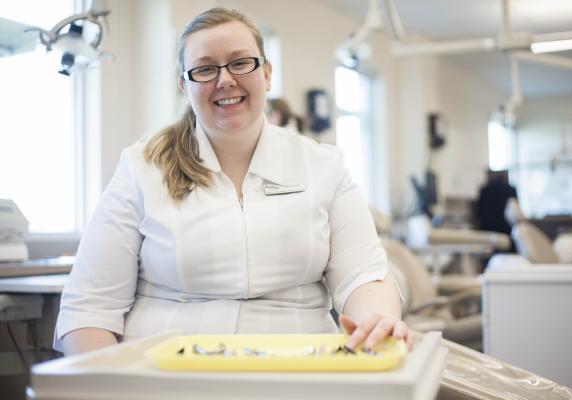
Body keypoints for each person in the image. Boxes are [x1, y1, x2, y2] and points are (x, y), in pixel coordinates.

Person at [55, 7, 410, 356]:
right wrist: (111, 386)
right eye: (205, 69)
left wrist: (377, 320)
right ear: (184, 85)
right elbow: (90, 306)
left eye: (241, 63)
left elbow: (363, 274)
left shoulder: (323, 165)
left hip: (298, 373)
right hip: (166, 378)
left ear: (267, 73)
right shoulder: (142, 167)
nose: (225, 80)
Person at [477, 169, 518, 252]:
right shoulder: (511, 189)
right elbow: (515, 210)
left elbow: (479, 211)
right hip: (506, 227)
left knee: (490, 252)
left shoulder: (485, 190)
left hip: (488, 227)